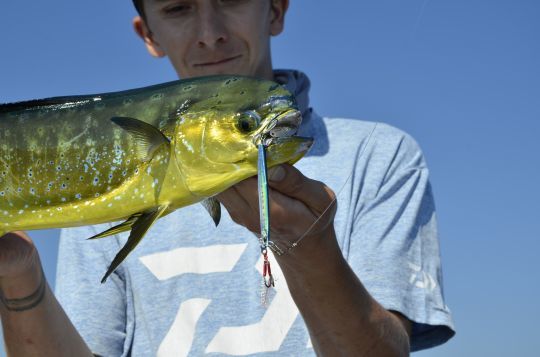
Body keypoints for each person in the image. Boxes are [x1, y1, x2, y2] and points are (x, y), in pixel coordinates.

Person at [0, 0, 455, 355]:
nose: (210, 35)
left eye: (232, 0)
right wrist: (19, 276)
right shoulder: (108, 176)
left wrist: (310, 253)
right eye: (178, 8)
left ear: (275, 9)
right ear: (148, 33)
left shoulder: (378, 155)